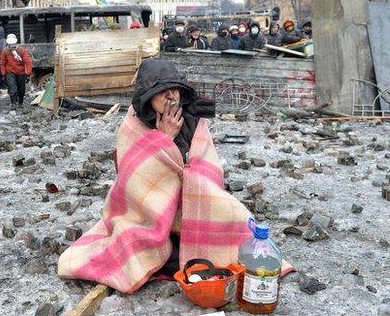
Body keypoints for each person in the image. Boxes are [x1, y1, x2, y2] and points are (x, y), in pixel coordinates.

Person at [57, 59, 293, 294]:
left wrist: (194, 181)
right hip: (147, 211)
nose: (171, 97)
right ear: (148, 97)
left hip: (189, 204)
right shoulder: (132, 126)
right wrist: (163, 140)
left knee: (238, 223)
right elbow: (134, 182)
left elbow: (206, 165)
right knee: (143, 248)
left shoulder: (193, 120)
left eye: (175, 89)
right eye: (162, 92)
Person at [0, 33, 32, 110]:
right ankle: (13, 103)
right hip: (10, 72)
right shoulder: (5, 51)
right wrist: (3, 74)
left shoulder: (22, 50)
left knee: (21, 89)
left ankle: (20, 102)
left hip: (21, 72)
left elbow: (28, 62)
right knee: (12, 87)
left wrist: (28, 74)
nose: (12, 46)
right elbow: (2, 63)